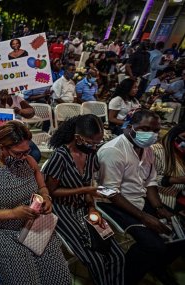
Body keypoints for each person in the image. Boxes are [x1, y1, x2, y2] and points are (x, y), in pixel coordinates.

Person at [0, 121, 71, 285]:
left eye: (26, 151)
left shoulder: (29, 161)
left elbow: (42, 187)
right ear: (2, 147)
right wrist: (13, 213)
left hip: (35, 228)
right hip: (3, 233)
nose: (23, 156)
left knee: (60, 278)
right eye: (18, 153)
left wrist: (46, 199)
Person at [97, 109, 185, 285]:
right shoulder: (114, 151)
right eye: (145, 128)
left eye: (155, 130)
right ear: (130, 127)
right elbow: (110, 192)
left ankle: (156, 265)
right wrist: (145, 217)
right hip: (112, 203)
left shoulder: (147, 149)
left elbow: (150, 182)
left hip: (138, 199)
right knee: (152, 245)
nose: (151, 134)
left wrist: (159, 208)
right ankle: (121, 278)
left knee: (181, 232)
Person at [42, 114, 125, 285]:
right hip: (62, 210)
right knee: (96, 261)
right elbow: (51, 192)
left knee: (118, 256)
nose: (95, 147)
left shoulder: (90, 155)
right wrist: (86, 190)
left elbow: (88, 183)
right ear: (78, 138)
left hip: (84, 208)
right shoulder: (61, 156)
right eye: (92, 142)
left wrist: (92, 206)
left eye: (98, 143)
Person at [152, 123, 185, 210]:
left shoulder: (181, 154)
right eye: (184, 137)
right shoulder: (157, 151)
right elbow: (148, 179)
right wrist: (178, 180)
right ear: (174, 134)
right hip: (160, 201)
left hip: (175, 202)